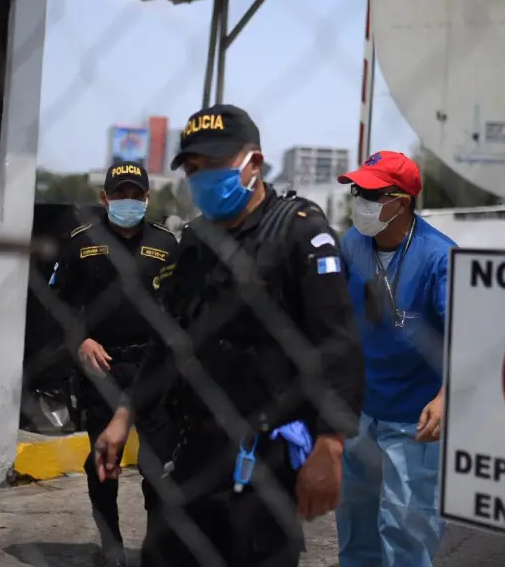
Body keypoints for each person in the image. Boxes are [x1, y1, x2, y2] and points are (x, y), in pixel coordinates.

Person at [92, 104, 364, 567]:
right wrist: (124, 414)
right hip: (195, 449)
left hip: (267, 458)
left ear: (253, 163)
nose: (202, 179)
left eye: (214, 165)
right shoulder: (197, 242)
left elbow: (336, 343)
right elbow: (168, 339)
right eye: (194, 169)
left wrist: (331, 444)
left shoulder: (300, 233)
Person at [49, 160, 179, 567]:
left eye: (135, 194)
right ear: (104, 198)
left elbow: (182, 309)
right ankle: (111, 547)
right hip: (102, 367)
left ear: (147, 198)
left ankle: (159, 549)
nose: (128, 201)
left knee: (158, 464)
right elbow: (56, 304)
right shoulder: (79, 243)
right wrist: (80, 340)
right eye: (119, 194)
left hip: (154, 366)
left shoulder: (167, 245)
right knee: (103, 461)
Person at [334, 151, 457, 567]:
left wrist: (445, 399)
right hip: (361, 409)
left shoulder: (440, 257)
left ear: (401, 202)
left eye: (370, 192)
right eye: (356, 190)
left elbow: (470, 337)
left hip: (414, 417)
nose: (359, 200)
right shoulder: (352, 244)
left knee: (406, 532)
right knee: (356, 527)